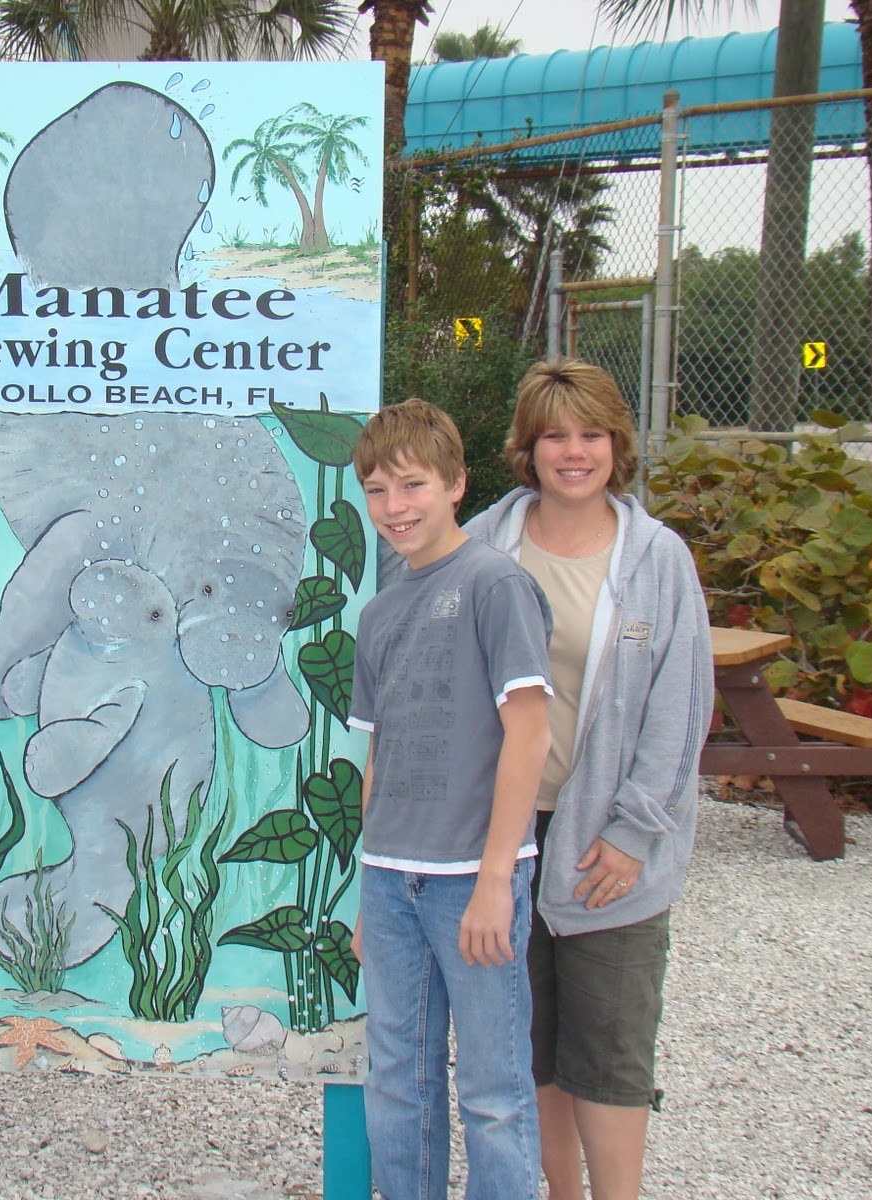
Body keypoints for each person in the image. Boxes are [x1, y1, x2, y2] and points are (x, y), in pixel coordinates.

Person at [464, 360, 713, 1200]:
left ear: (619, 444)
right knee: (527, 1040)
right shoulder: (482, 545)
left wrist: (634, 831)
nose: (574, 452)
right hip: (502, 837)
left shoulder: (657, 561)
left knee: (607, 1049)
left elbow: (680, 709)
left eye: (591, 435)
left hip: (608, 845)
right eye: (554, 436)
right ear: (527, 450)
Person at [349, 397, 553, 1200]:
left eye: (411, 486)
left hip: (475, 877)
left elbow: (529, 735)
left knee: (495, 1092)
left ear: (457, 483)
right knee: (399, 1078)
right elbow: (380, 756)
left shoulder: (496, 585)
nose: (394, 508)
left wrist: (498, 880)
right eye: (376, 491)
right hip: (390, 881)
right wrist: (368, 893)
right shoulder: (378, 612)